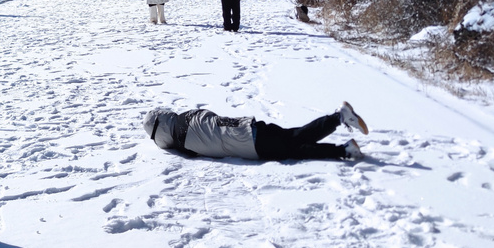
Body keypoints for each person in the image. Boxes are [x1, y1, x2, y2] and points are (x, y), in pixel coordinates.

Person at [143, 101, 368, 162]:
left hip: (249, 143)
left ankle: (342, 136)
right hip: (246, 129)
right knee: (295, 138)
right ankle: (341, 132)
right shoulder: (187, 117)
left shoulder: (184, 144)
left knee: (296, 148)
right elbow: (208, 117)